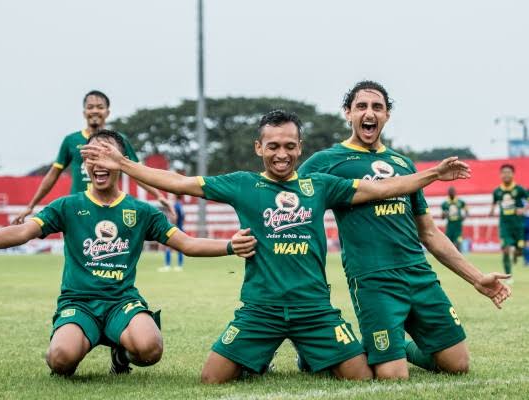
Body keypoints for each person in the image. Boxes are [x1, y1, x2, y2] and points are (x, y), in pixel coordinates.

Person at [81, 113, 471, 383]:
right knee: (212, 378)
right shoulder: (242, 184)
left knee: (362, 375)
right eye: (272, 146)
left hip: (315, 310)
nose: (281, 154)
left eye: (288, 145)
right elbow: (178, 182)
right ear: (259, 148)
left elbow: (384, 188)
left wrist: (433, 174)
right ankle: (259, 358)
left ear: (299, 147)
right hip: (261, 309)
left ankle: (309, 355)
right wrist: (125, 165)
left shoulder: (320, 185)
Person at [0, 131, 256, 377]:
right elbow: (24, 231)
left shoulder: (141, 211)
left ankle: (121, 351)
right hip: (79, 304)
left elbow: (186, 244)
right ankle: (77, 340)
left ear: (120, 161)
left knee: (150, 350)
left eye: (106, 155)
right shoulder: (68, 206)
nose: (97, 163)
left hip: (122, 302)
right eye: (91, 155)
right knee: (60, 360)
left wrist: (230, 245)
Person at [298, 80, 512, 379]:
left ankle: (383, 346)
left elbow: (429, 233)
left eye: (377, 107)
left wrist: (477, 279)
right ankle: (333, 355)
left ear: (387, 116)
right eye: (361, 106)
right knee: (392, 376)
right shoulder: (326, 162)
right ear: (348, 113)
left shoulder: (404, 164)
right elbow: (289, 193)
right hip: (373, 278)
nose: (369, 113)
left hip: (417, 274)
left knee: (457, 364)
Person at [13, 90, 173, 225]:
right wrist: (31, 205)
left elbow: (137, 172)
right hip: (79, 207)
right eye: (90, 107)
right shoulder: (71, 140)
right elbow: (53, 175)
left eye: (100, 107)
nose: (95, 111)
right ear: (84, 112)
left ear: (107, 112)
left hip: (110, 206)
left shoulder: (119, 140)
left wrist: (158, 195)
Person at [489, 164, 528, 282]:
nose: (506, 174)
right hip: (505, 225)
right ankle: (508, 275)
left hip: (518, 226)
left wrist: (524, 209)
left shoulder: (520, 189)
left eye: (508, 172)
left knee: (520, 250)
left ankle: (517, 254)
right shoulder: (497, 191)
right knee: (505, 249)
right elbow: (494, 203)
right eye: (504, 172)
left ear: (513, 174)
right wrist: (491, 211)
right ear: (501, 175)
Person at [160, 194, 185, 272]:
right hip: (180, 228)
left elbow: (175, 217)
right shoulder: (180, 206)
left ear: (175, 196)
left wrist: (171, 226)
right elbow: (183, 218)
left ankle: (168, 265)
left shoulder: (175, 206)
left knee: (168, 246)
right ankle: (179, 265)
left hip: (175, 229)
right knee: (180, 248)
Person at [441, 186, 468, 251]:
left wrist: (465, 216)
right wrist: (444, 215)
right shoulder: (445, 203)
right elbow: (442, 217)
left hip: (458, 225)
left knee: (458, 242)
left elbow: (467, 211)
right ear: (448, 193)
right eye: (450, 192)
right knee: (449, 244)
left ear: (455, 192)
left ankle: (459, 256)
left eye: (452, 192)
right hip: (450, 225)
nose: (451, 193)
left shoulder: (460, 202)